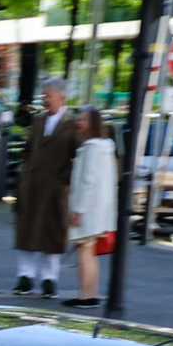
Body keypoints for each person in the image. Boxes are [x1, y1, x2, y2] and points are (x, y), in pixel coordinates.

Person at [12, 76, 79, 296]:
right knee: (27, 231)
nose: (44, 99)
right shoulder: (39, 120)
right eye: (43, 95)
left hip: (55, 188)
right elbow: (28, 149)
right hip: (32, 185)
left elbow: (77, 157)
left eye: (48, 95)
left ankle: (49, 279)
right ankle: (25, 276)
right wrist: (25, 170)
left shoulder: (72, 124)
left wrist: (64, 179)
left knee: (51, 234)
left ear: (61, 96)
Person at [63, 108, 118, 310]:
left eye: (83, 120)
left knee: (85, 251)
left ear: (92, 123)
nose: (79, 123)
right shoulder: (103, 147)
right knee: (89, 251)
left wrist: (79, 209)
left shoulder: (92, 148)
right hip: (99, 208)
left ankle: (86, 296)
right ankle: (89, 294)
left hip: (90, 209)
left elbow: (88, 180)